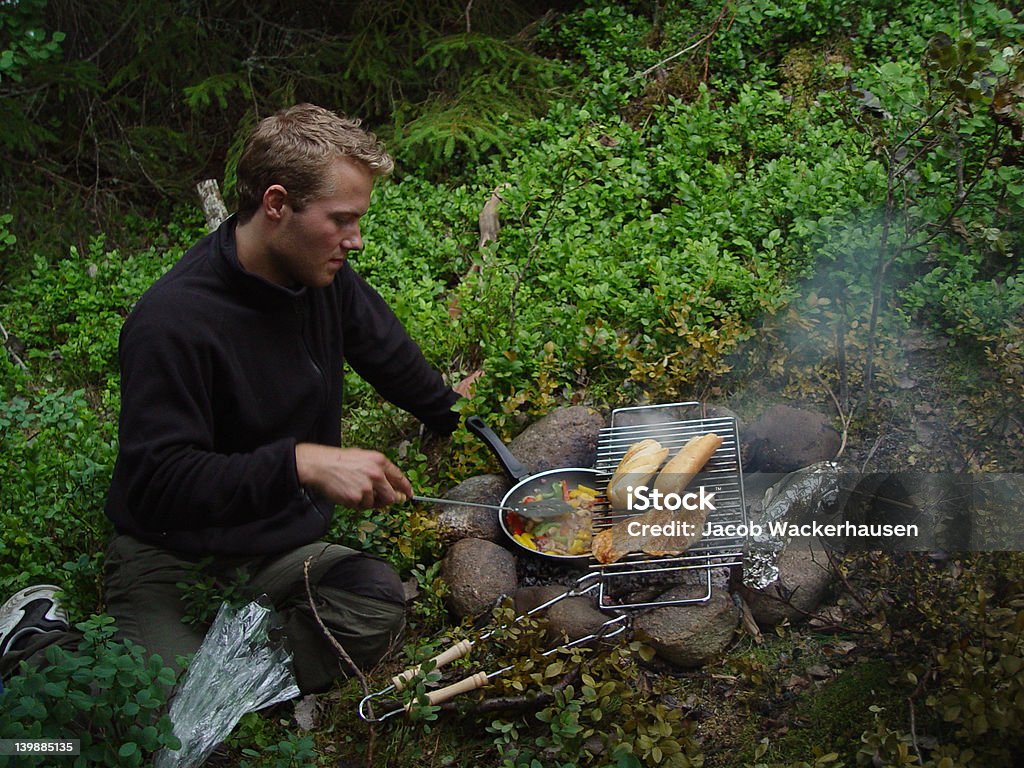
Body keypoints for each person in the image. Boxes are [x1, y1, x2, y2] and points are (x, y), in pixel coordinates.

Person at [1, 103, 476, 695]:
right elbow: (158, 481)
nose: (355, 241)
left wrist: (462, 418)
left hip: (280, 542)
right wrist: (302, 462)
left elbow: (389, 357)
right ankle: (35, 641)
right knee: (145, 718)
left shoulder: (320, 277)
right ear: (277, 204)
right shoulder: (171, 322)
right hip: (175, 553)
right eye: (342, 220)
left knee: (374, 603)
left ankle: (217, 681)